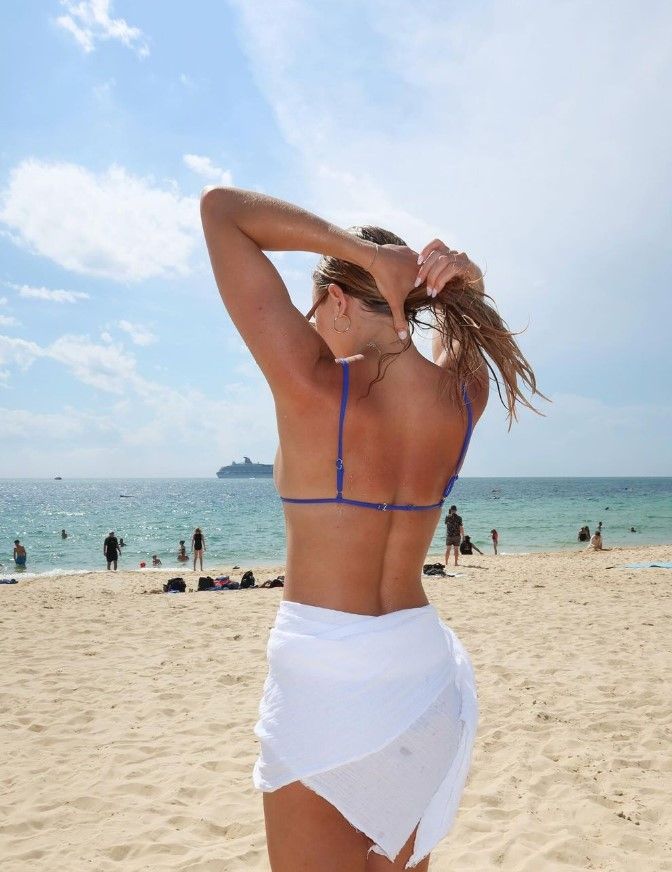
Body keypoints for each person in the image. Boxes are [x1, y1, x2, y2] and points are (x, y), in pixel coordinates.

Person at [201, 185, 541, 870]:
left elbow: (220, 211)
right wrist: (466, 285)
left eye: (313, 307)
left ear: (337, 300)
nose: (311, 322)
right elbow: (457, 340)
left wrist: (357, 251)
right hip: (419, 677)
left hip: (323, 677)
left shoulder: (312, 384)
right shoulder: (462, 397)